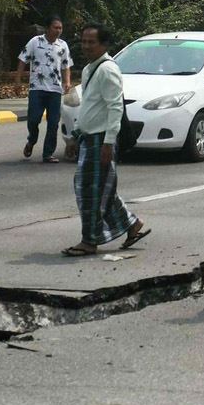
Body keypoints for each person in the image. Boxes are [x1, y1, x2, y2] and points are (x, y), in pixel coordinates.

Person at [65, 23, 147, 255]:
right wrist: (75, 135)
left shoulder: (108, 69)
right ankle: (132, 224)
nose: (86, 46)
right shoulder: (90, 69)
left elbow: (115, 108)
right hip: (88, 138)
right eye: (84, 42)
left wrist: (109, 142)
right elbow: (89, 106)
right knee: (100, 188)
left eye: (92, 42)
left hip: (101, 140)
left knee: (91, 192)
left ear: (104, 44)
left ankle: (89, 241)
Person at [17, 17, 72, 163]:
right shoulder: (35, 42)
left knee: (53, 123)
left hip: (55, 89)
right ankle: (32, 140)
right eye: (55, 27)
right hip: (37, 88)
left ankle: (48, 153)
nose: (58, 30)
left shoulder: (63, 45)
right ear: (48, 28)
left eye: (60, 28)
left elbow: (66, 65)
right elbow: (22, 60)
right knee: (33, 119)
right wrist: (18, 80)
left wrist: (67, 81)